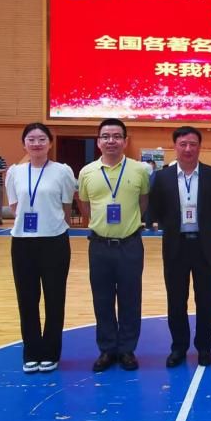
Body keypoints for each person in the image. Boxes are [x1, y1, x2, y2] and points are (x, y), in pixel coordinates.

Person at [147, 126, 211, 368]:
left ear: (199, 147)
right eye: (183, 144)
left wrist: (204, 224)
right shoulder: (162, 177)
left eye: (193, 144)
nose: (188, 149)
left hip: (204, 246)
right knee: (176, 300)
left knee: (205, 300)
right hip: (175, 246)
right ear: (175, 146)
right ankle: (178, 347)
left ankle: (204, 347)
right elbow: (156, 209)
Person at [77, 118, 150, 372]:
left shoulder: (140, 170)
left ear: (125, 141)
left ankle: (127, 349)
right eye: (106, 136)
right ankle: (107, 349)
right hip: (99, 246)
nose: (111, 141)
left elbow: (143, 203)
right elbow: (85, 206)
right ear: (98, 142)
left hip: (130, 245)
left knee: (131, 299)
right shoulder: (87, 172)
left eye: (117, 136)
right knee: (102, 299)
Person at [5, 123, 77, 373]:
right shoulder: (15, 172)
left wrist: (50, 222)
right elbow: (14, 207)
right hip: (22, 242)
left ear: (50, 143)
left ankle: (51, 352)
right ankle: (31, 352)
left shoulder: (62, 171)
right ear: (24, 143)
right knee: (27, 299)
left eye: (42, 139)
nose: (36, 144)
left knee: (55, 299)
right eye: (31, 139)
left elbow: (66, 206)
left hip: (54, 241)